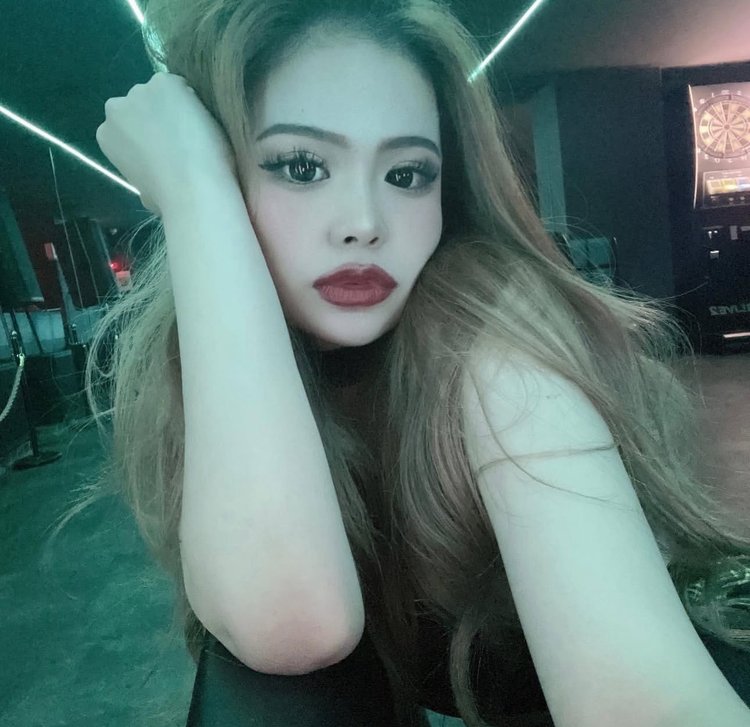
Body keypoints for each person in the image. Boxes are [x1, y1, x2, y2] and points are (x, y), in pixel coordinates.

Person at [63, 1, 750, 726]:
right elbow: (286, 624)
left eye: (407, 174)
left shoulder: (492, 327)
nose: (365, 222)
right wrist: (198, 199)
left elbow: (639, 702)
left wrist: (199, 197)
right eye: (302, 166)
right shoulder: (211, 363)